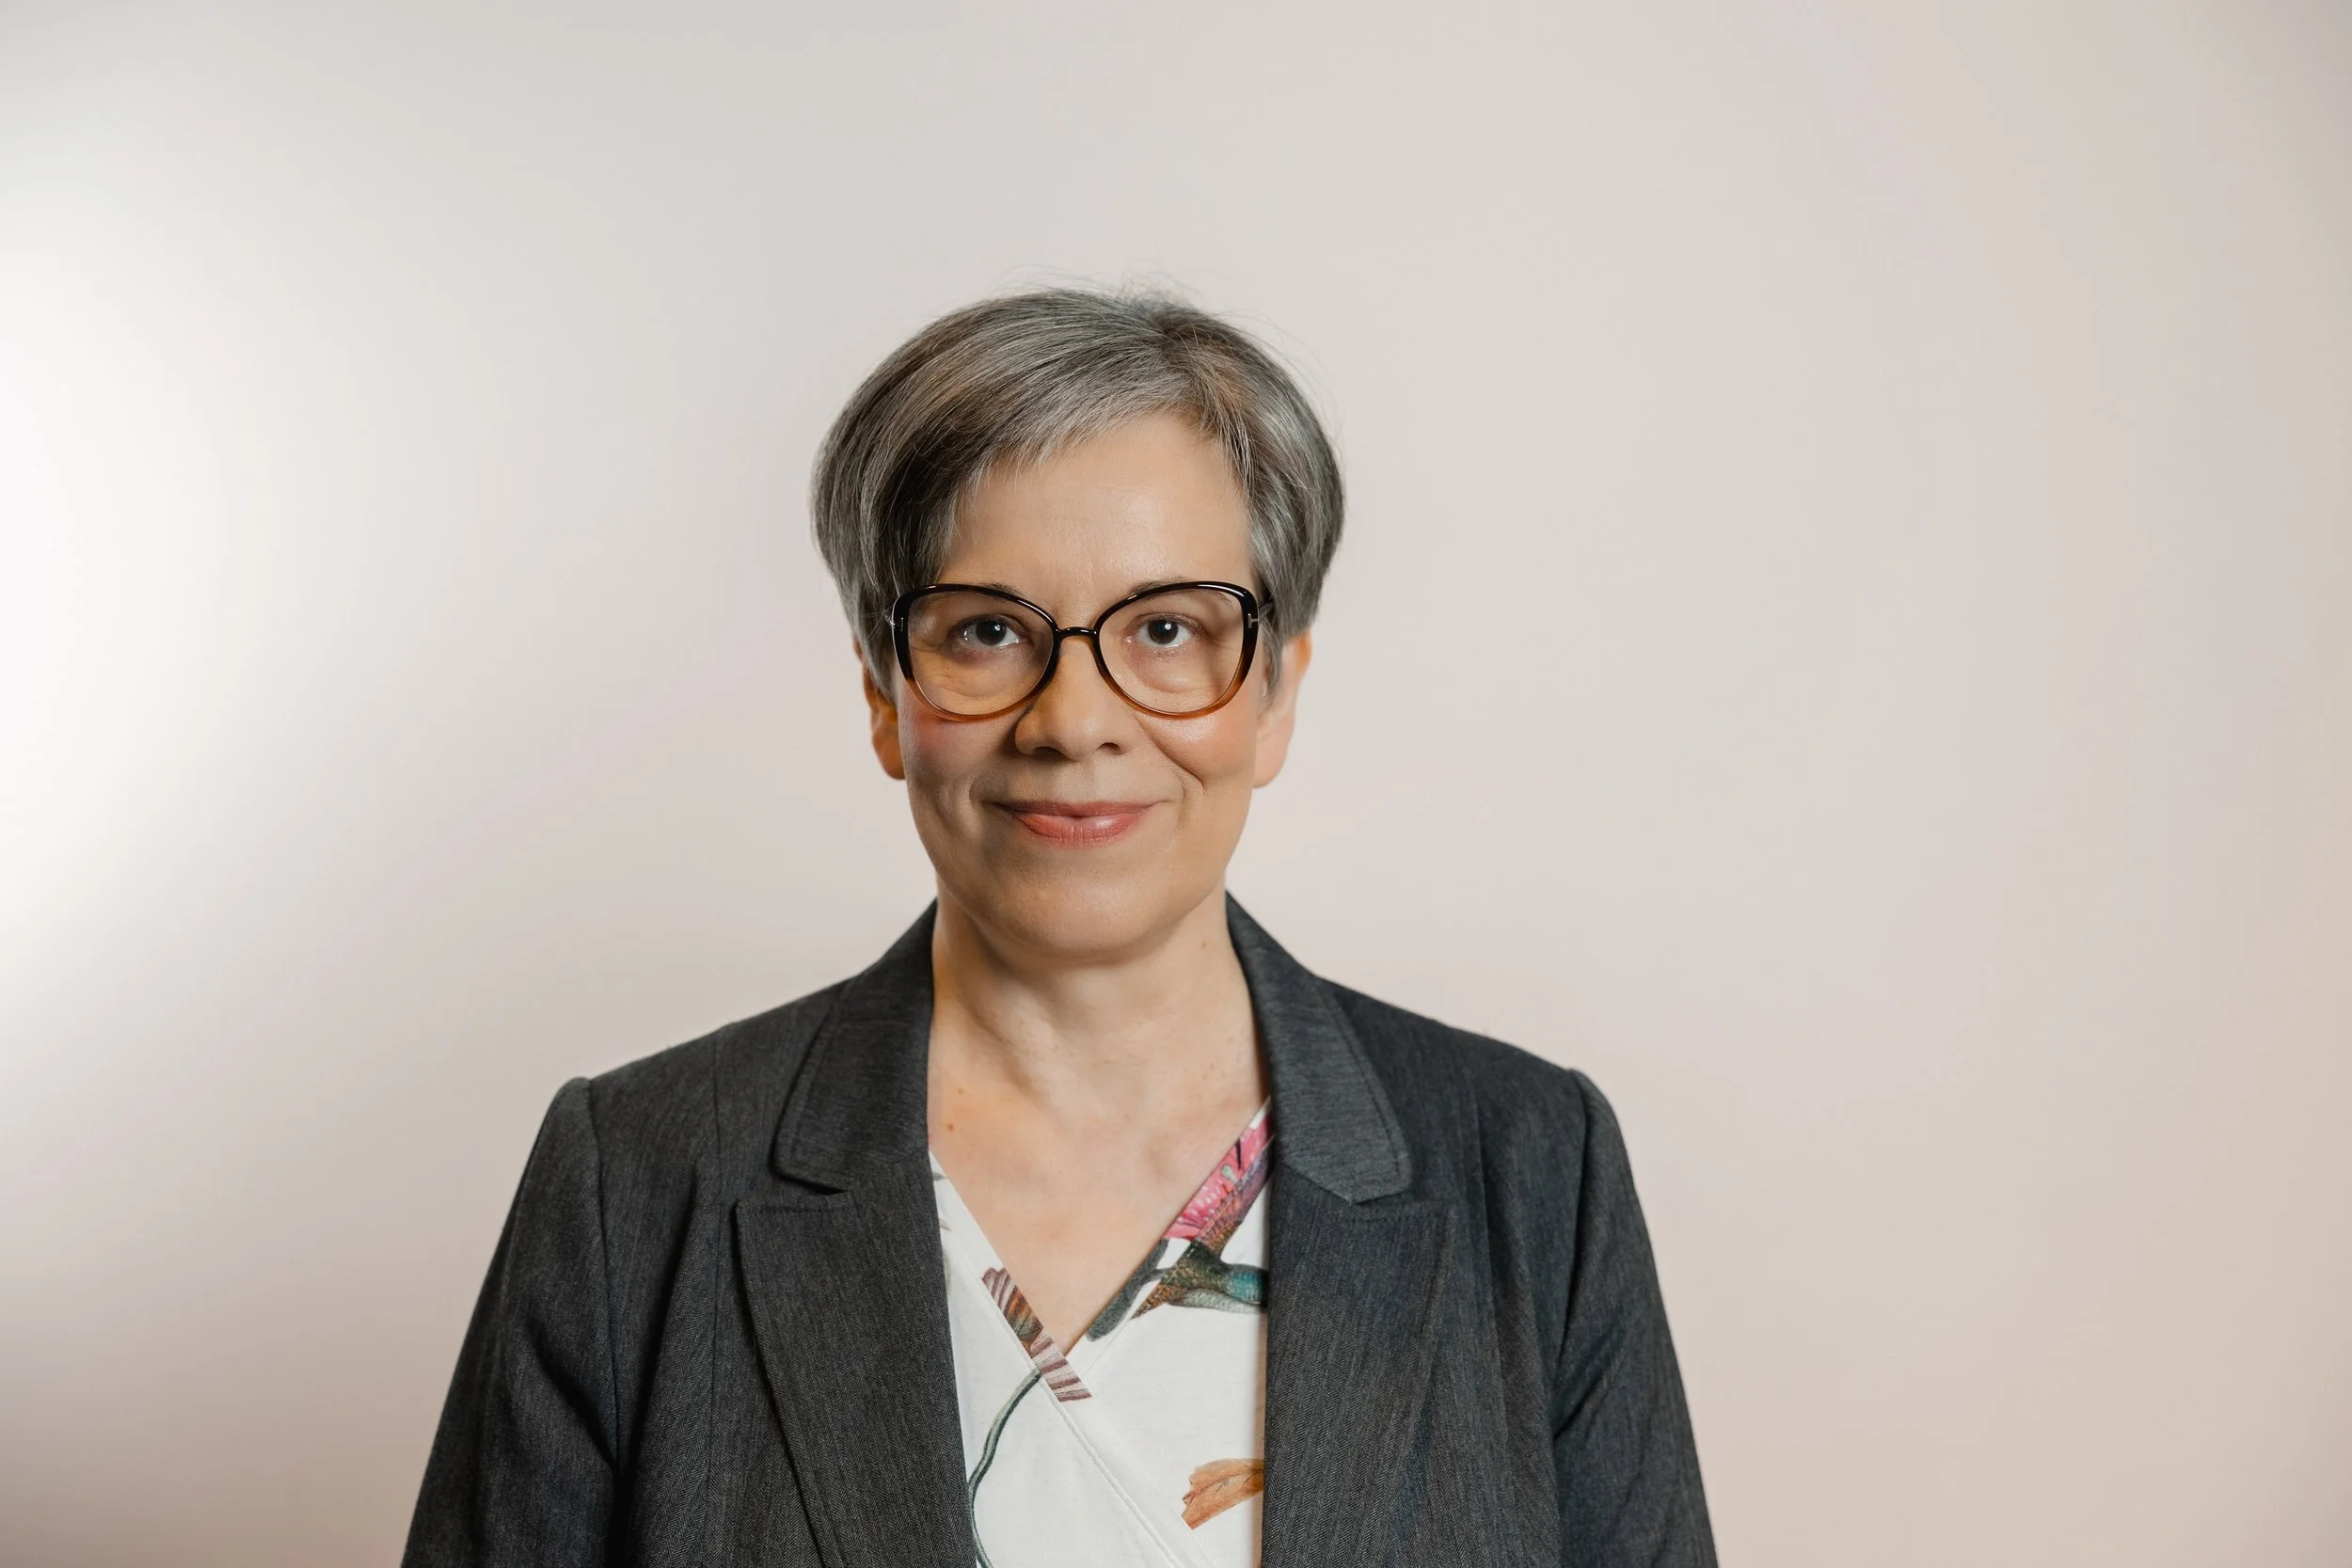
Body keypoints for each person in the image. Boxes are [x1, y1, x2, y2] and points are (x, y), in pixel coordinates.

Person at [402, 289, 1716, 1567]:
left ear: (1273, 695)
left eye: (1165, 628)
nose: (1073, 718)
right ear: (882, 690)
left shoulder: (1533, 1166)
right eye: (986, 630)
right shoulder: (638, 1179)